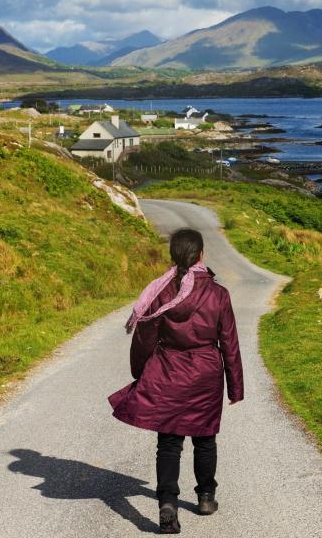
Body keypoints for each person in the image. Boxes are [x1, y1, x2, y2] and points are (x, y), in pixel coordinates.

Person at [108, 228, 243, 534]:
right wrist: (235, 387)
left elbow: (145, 337)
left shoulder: (160, 292)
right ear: (201, 255)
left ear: (172, 255)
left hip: (169, 370)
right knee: (205, 438)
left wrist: (141, 371)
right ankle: (206, 497)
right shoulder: (219, 295)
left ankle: (167, 502)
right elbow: (230, 344)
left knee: (169, 443)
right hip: (207, 373)